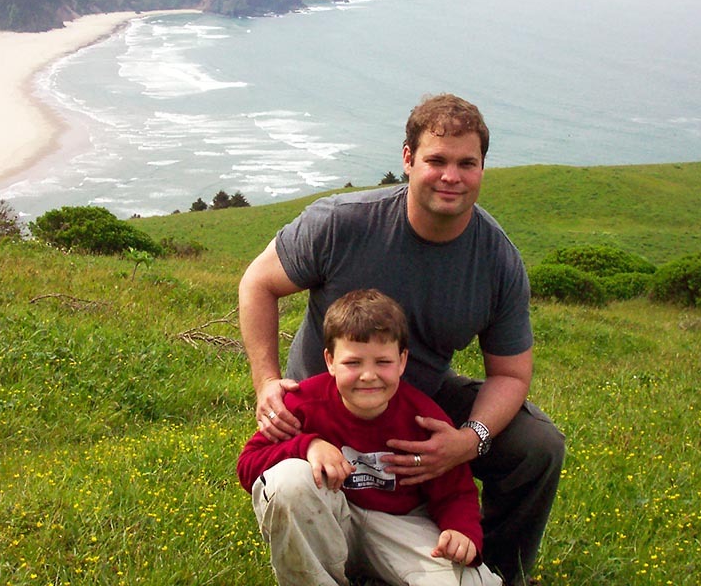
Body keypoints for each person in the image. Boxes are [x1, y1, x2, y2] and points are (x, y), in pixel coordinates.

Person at [239, 93, 564, 586]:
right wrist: (267, 383)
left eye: (466, 163)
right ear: (408, 159)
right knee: (290, 484)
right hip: (321, 409)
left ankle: (487, 563)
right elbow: (257, 284)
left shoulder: (497, 260)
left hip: (416, 403)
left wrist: (466, 441)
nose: (450, 176)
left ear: (482, 167)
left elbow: (511, 373)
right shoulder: (340, 223)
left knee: (537, 443)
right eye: (436, 160)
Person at [238, 288, 501, 586]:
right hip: (328, 521)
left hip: (398, 526)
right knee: (288, 481)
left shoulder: (424, 417)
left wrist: (461, 531)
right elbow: (248, 465)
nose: (368, 375)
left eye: (383, 362)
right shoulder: (303, 404)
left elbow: (456, 492)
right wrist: (308, 445)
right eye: (353, 363)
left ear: (402, 361)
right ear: (330, 361)